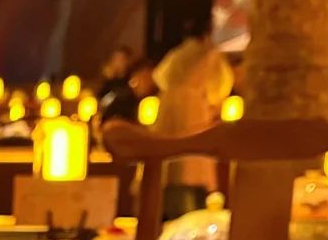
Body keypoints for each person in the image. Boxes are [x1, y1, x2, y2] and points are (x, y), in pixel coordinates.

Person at [152, 21, 233, 214]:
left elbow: (159, 76)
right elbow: (222, 83)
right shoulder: (209, 54)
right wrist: (212, 101)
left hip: (168, 108)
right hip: (193, 109)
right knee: (192, 161)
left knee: (172, 162)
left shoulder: (176, 54)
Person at [98, 46, 139, 125]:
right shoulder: (108, 82)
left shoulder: (132, 80)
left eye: (122, 59)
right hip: (109, 120)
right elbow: (101, 100)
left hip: (128, 120)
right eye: (117, 59)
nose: (119, 62)